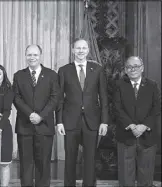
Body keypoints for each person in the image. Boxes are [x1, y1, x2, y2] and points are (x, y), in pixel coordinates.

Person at [56, 38, 109, 186]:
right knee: (70, 159)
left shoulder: (97, 69)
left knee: (90, 159)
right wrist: (59, 121)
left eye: (83, 48)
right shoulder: (64, 70)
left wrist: (104, 121)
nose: (81, 51)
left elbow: (104, 97)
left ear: (88, 50)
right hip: (70, 120)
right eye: (78, 48)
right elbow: (59, 98)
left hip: (92, 121)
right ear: (73, 50)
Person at [13, 45, 60, 187]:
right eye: (29, 55)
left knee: (43, 165)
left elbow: (55, 98)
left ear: (40, 55)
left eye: (35, 54)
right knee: (26, 165)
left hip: (44, 126)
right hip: (24, 127)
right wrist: (30, 114)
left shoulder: (52, 75)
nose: (32, 57)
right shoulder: (18, 75)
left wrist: (41, 116)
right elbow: (16, 98)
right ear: (25, 56)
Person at [114, 56, 161, 187]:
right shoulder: (119, 85)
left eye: (135, 66)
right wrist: (131, 126)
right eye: (129, 67)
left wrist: (144, 126)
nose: (132, 69)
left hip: (147, 135)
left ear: (142, 68)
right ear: (125, 70)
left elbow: (156, 108)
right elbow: (117, 108)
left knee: (145, 174)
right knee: (125, 175)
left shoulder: (152, 85)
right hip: (126, 134)